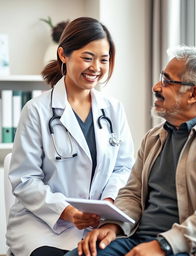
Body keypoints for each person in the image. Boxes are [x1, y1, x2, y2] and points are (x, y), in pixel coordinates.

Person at [65, 47, 196, 256]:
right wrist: (113, 226)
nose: (156, 87)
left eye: (167, 81)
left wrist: (163, 245)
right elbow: (133, 194)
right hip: (138, 239)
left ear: (193, 94)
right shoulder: (154, 137)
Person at [6, 17, 134, 256]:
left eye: (103, 60)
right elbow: (25, 180)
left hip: (98, 225)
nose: (96, 67)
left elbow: (124, 167)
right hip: (43, 225)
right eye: (87, 57)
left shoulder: (113, 109)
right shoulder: (36, 111)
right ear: (63, 55)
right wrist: (68, 212)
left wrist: (109, 201)